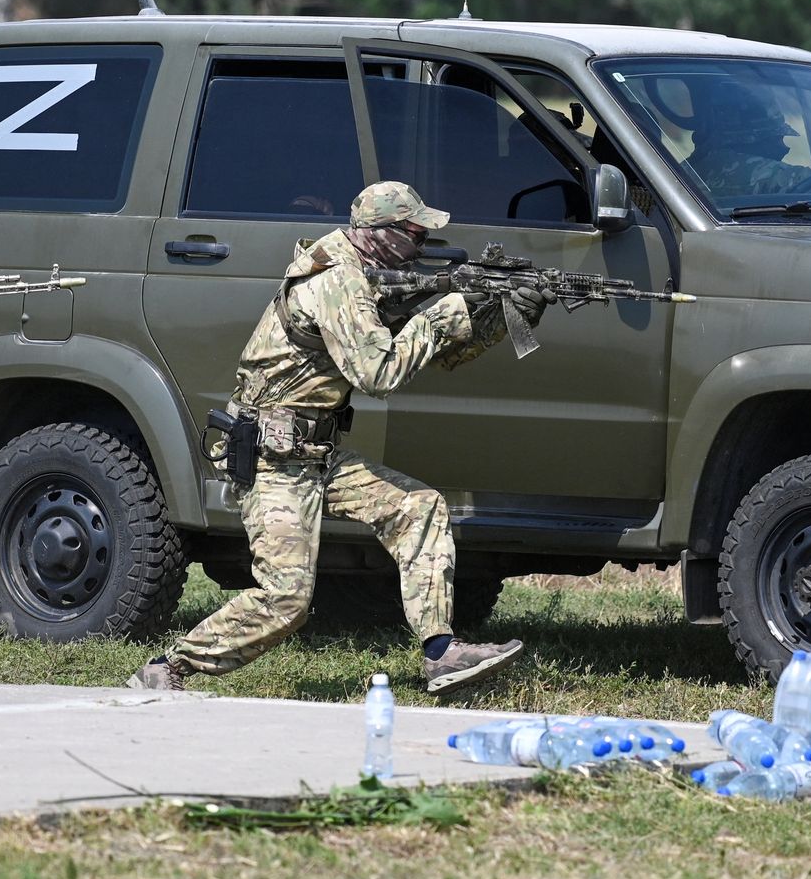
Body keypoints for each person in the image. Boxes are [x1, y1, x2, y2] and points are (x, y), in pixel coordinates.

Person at [128, 182, 552, 696]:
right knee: (285, 600)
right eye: (416, 234)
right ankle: (167, 667)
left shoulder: (365, 274)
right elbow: (381, 372)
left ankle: (442, 654)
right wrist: (446, 311)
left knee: (418, 508)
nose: (423, 246)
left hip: (315, 454)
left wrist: (499, 317)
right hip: (274, 457)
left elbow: (439, 355)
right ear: (382, 235)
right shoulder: (338, 283)